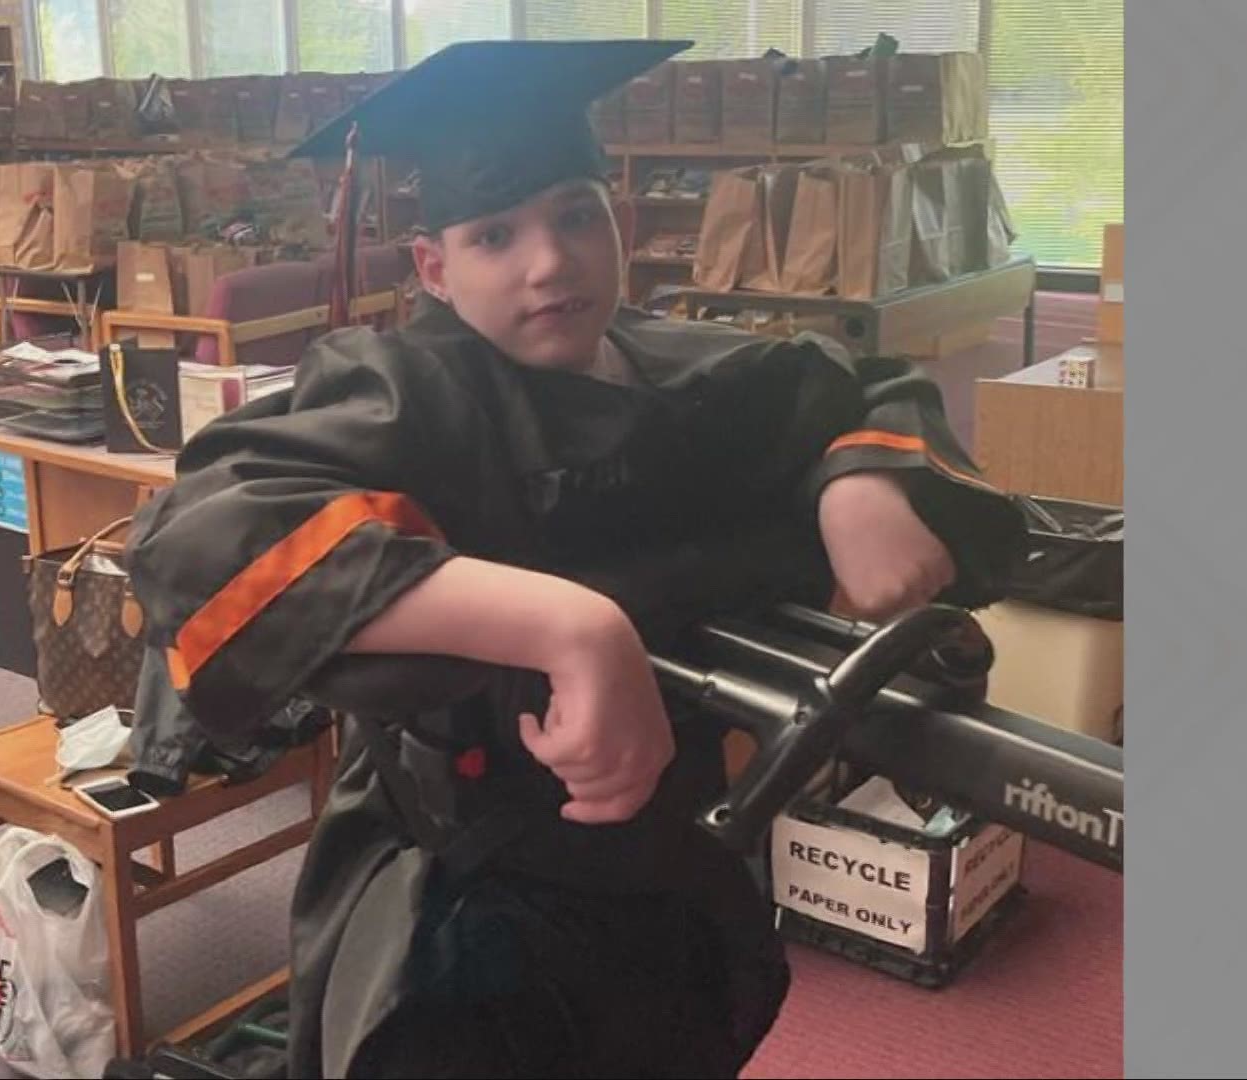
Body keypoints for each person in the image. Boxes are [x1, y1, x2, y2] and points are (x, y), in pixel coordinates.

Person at [122, 38, 1028, 1079]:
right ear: (434, 269)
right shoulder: (409, 394)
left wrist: (862, 480)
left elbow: (857, 387)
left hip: (670, 873)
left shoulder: (683, 371)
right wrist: (569, 625)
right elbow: (205, 535)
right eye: (494, 235)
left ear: (621, 224)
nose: (549, 263)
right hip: (465, 910)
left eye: (575, 216)